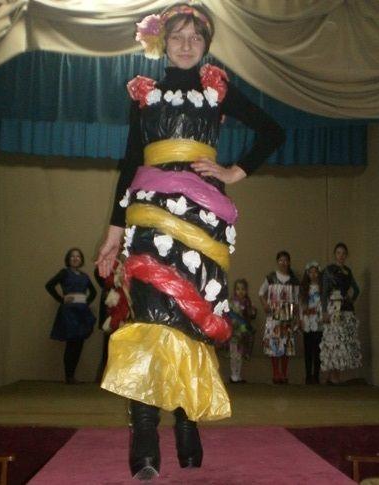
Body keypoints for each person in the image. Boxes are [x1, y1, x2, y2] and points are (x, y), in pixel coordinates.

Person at [95, 3, 285, 480]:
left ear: (205, 45)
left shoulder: (216, 89)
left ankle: (186, 421)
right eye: (177, 36)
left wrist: (234, 171)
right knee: (148, 317)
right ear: (162, 42)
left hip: (201, 222)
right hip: (149, 217)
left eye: (194, 38)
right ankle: (144, 437)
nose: (185, 44)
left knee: (192, 318)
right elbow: (129, 163)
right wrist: (114, 232)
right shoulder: (145, 93)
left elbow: (272, 131)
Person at [45, 248, 96, 384]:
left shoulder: (85, 276)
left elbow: (94, 292)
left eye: (78, 256)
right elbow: (49, 285)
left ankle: (72, 376)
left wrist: (85, 302)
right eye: (72, 256)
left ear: (81, 259)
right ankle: (69, 376)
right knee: (71, 343)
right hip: (69, 313)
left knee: (79, 344)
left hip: (82, 312)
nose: (75, 258)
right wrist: (61, 299)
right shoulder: (64, 273)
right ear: (68, 259)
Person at [320, 242, 362, 385]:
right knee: (333, 340)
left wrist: (350, 300)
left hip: (345, 309)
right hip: (333, 308)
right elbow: (324, 292)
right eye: (338, 253)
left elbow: (356, 289)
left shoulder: (348, 272)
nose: (341, 256)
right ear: (335, 255)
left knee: (341, 341)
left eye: (343, 253)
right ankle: (332, 375)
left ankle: (335, 374)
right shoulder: (329, 271)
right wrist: (324, 311)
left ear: (346, 255)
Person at [259, 251, 299, 384]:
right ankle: (276, 373)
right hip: (274, 316)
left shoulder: (294, 280)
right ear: (277, 262)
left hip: (288, 317)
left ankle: (284, 373)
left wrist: (296, 316)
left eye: (285, 260)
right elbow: (261, 292)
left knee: (286, 344)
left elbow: (297, 300)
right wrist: (265, 305)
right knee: (274, 343)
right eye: (281, 260)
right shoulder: (271, 277)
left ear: (289, 262)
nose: (283, 263)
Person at [227, 278, 256, 384]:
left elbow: (250, 316)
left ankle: (238, 375)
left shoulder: (247, 302)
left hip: (243, 334)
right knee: (234, 355)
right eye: (238, 289)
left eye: (243, 289)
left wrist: (252, 311)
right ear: (235, 290)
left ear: (246, 291)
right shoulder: (231, 303)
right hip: (234, 333)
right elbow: (228, 316)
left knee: (240, 355)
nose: (240, 291)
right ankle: (233, 375)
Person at [299, 261, 324, 384]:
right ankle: (308, 375)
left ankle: (316, 375)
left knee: (317, 350)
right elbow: (300, 305)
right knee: (308, 350)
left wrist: (320, 314)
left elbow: (323, 304)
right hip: (307, 321)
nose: (313, 275)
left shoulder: (322, 288)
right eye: (311, 272)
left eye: (315, 272)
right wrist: (301, 319)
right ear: (307, 274)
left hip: (318, 321)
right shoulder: (304, 289)